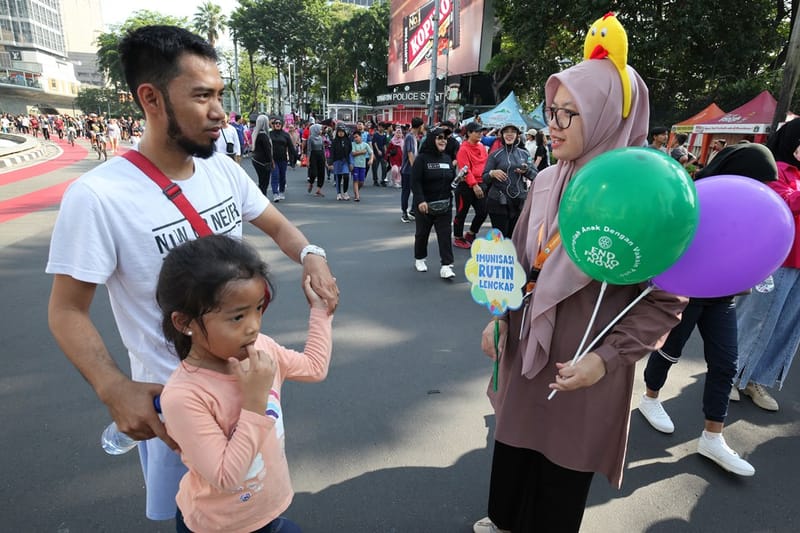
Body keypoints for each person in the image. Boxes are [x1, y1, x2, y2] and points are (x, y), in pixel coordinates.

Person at [46, 25, 338, 524]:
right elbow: (67, 310)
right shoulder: (98, 197)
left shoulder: (222, 169)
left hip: (247, 383)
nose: (220, 113)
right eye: (202, 96)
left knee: (261, 501)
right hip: (177, 402)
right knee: (208, 513)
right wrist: (113, 386)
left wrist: (310, 252)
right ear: (151, 98)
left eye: (219, 94)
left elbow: (275, 223)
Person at [472, 46, 687, 533]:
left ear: (610, 118)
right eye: (553, 110)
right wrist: (499, 317)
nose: (556, 123)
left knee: (561, 472)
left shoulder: (644, 197)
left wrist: (606, 358)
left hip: (585, 363)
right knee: (512, 446)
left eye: (572, 113)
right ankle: (503, 520)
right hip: (526, 347)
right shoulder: (546, 180)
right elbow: (524, 263)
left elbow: (666, 298)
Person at [157, 234, 333, 533]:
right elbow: (227, 477)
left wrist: (321, 312)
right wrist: (254, 402)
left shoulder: (263, 347)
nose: (253, 326)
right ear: (184, 322)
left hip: (266, 510)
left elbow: (314, 368)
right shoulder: (184, 395)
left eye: (257, 309)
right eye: (237, 317)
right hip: (218, 526)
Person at [638, 143, 779, 477]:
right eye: (757, 180)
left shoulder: (753, 205)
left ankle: (713, 436)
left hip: (724, 293)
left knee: (726, 362)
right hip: (687, 289)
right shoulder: (696, 193)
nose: (761, 189)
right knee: (670, 349)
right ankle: (650, 396)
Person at [733, 118, 800, 412]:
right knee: (756, 319)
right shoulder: (774, 169)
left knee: (785, 327)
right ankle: (730, 375)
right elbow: (783, 201)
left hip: (798, 264)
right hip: (776, 259)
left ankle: (755, 379)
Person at [410, 127, 456, 279]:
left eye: (445, 138)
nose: (443, 140)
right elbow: (415, 182)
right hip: (425, 205)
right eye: (440, 137)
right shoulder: (422, 159)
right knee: (422, 234)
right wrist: (420, 200)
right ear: (432, 140)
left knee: (445, 235)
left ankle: (446, 265)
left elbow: (451, 179)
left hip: (444, 204)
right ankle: (420, 258)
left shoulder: (447, 158)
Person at [482, 122, 536, 238]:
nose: (509, 134)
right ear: (502, 135)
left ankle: (513, 256)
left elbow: (535, 175)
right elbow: (484, 177)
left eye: (513, 132)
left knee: (514, 237)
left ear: (517, 135)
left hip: (519, 201)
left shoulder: (525, 154)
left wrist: (526, 171)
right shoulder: (494, 155)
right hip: (498, 201)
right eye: (506, 132)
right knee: (500, 238)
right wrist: (492, 173)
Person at [453, 121, 489, 249]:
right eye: (477, 131)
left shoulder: (482, 147)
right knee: (461, 213)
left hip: (481, 183)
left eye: (481, 131)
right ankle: (457, 237)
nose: (480, 134)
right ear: (469, 133)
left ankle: (471, 233)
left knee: (483, 211)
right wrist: (474, 185)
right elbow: (465, 169)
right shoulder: (463, 149)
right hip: (466, 186)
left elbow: (486, 164)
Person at [400, 117, 423, 222]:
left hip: (411, 169)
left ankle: (413, 211)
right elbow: (410, 154)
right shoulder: (409, 137)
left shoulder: (414, 136)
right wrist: (415, 168)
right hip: (408, 170)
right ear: (419, 126)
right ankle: (404, 213)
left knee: (416, 191)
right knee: (406, 191)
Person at [268, 118, 293, 202]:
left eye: (279, 123)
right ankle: (275, 193)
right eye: (276, 123)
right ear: (273, 125)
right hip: (273, 159)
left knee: (282, 176)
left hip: (283, 159)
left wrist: (295, 157)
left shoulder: (285, 135)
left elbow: (291, 147)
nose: (278, 124)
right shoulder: (270, 134)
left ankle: (281, 191)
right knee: (275, 176)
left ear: (281, 125)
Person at [251, 114, 274, 197]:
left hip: (255, 160)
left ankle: (260, 196)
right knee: (265, 182)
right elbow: (268, 151)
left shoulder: (255, 133)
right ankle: (262, 197)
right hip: (263, 162)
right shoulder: (264, 136)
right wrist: (271, 161)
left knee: (261, 181)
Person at [329, 123, 352, 201]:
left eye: (342, 131)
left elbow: (350, 151)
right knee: (338, 177)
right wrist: (330, 163)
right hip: (337, 161)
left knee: (346, 176)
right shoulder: (334, 141)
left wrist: (350, 163)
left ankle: (345, 192)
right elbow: (332, 152)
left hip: (345, 161)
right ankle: (338, 193)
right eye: (339, 131)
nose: (341, 133)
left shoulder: (348, 140)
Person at [305, 123, 327, 197]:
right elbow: (309, 150)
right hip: (313, 155)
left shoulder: (321, 138)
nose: (321, 131)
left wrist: (325, 159)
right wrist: (307, 160)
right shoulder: (310, 138)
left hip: (320, 155)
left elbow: (323, 149)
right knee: (314, 172)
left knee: (321, 173)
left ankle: (318, 190)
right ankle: (311, 183)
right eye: (320, 129)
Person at [371, 122, 389, 186]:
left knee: (384, 167)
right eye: (379, 127)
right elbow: (374, 143)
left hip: (383, 153)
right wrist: (378, 150)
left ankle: (383, 180)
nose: (380, 128)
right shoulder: (375, 134)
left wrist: (386, 151)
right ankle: (375, 180)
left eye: (381, 127)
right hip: (376, 153)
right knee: (375, 167)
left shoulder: (384, 135)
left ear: (384, 128)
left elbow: (384, 144)